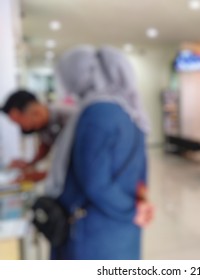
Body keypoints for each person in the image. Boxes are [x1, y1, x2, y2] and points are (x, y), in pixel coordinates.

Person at [47, 45, 153, 260]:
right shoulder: (129, 111)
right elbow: (140, 171)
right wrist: (140, 205)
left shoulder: (96, 113)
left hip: (95, 232)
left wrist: (131, 211)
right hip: (122, 226)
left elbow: (95, 183)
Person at [2, 90, 75, 181]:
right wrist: (30, 164)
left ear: (36, 111)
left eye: (20, 123)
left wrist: (41, 175)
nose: (25, 128)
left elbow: (78, 167)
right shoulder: (44, 124)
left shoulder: (70, 118)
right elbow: (46, 144)